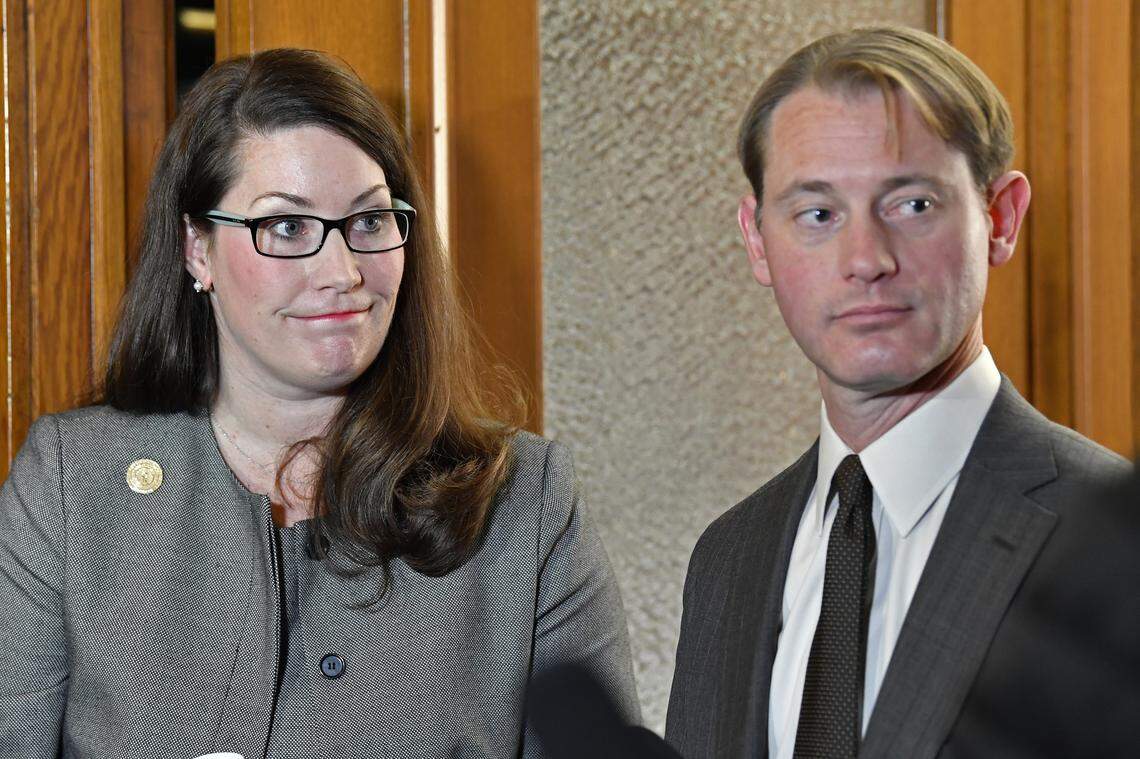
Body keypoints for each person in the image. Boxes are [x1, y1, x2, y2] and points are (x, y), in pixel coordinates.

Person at [0, 48, 638, 758]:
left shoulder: (525, 503)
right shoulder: (70, 484)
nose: (342, 273)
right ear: (197, 250)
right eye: (286, 227)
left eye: (370, 221)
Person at [665, 26, 1135, 759]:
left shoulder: (1115, 546)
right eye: (818, 214)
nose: (865, 259)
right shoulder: (727, 559)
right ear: (758, 241)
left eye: (912, 204)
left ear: (1001, 218)